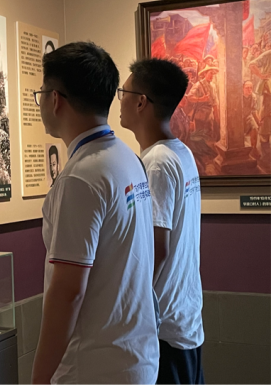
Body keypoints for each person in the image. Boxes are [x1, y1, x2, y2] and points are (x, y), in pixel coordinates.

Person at [31, 42, 159, 385]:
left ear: (55, 99)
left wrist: (39, 378)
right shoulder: (126, 158)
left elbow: (68, 292)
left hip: (94, 368)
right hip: (135, 357)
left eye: (40, 94)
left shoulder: (80, 178)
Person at [119, 58, 205, 385]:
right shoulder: (181, 152)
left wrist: (131, 310)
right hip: (184, 317)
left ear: (141, 102)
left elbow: (158, 247)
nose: (120, 101)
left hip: (164, 326)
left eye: (124, 93)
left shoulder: (156, 162)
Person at [243, 80, 260, 158]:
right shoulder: (239, 97)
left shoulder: (253, 97)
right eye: (247, 88)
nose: (249, 89)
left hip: (248, 117)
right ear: (243, 88)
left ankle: (254, 148)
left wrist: (258, 121)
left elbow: (254, 111)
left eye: (251, 88)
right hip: (238, 118)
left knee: (255, 128)